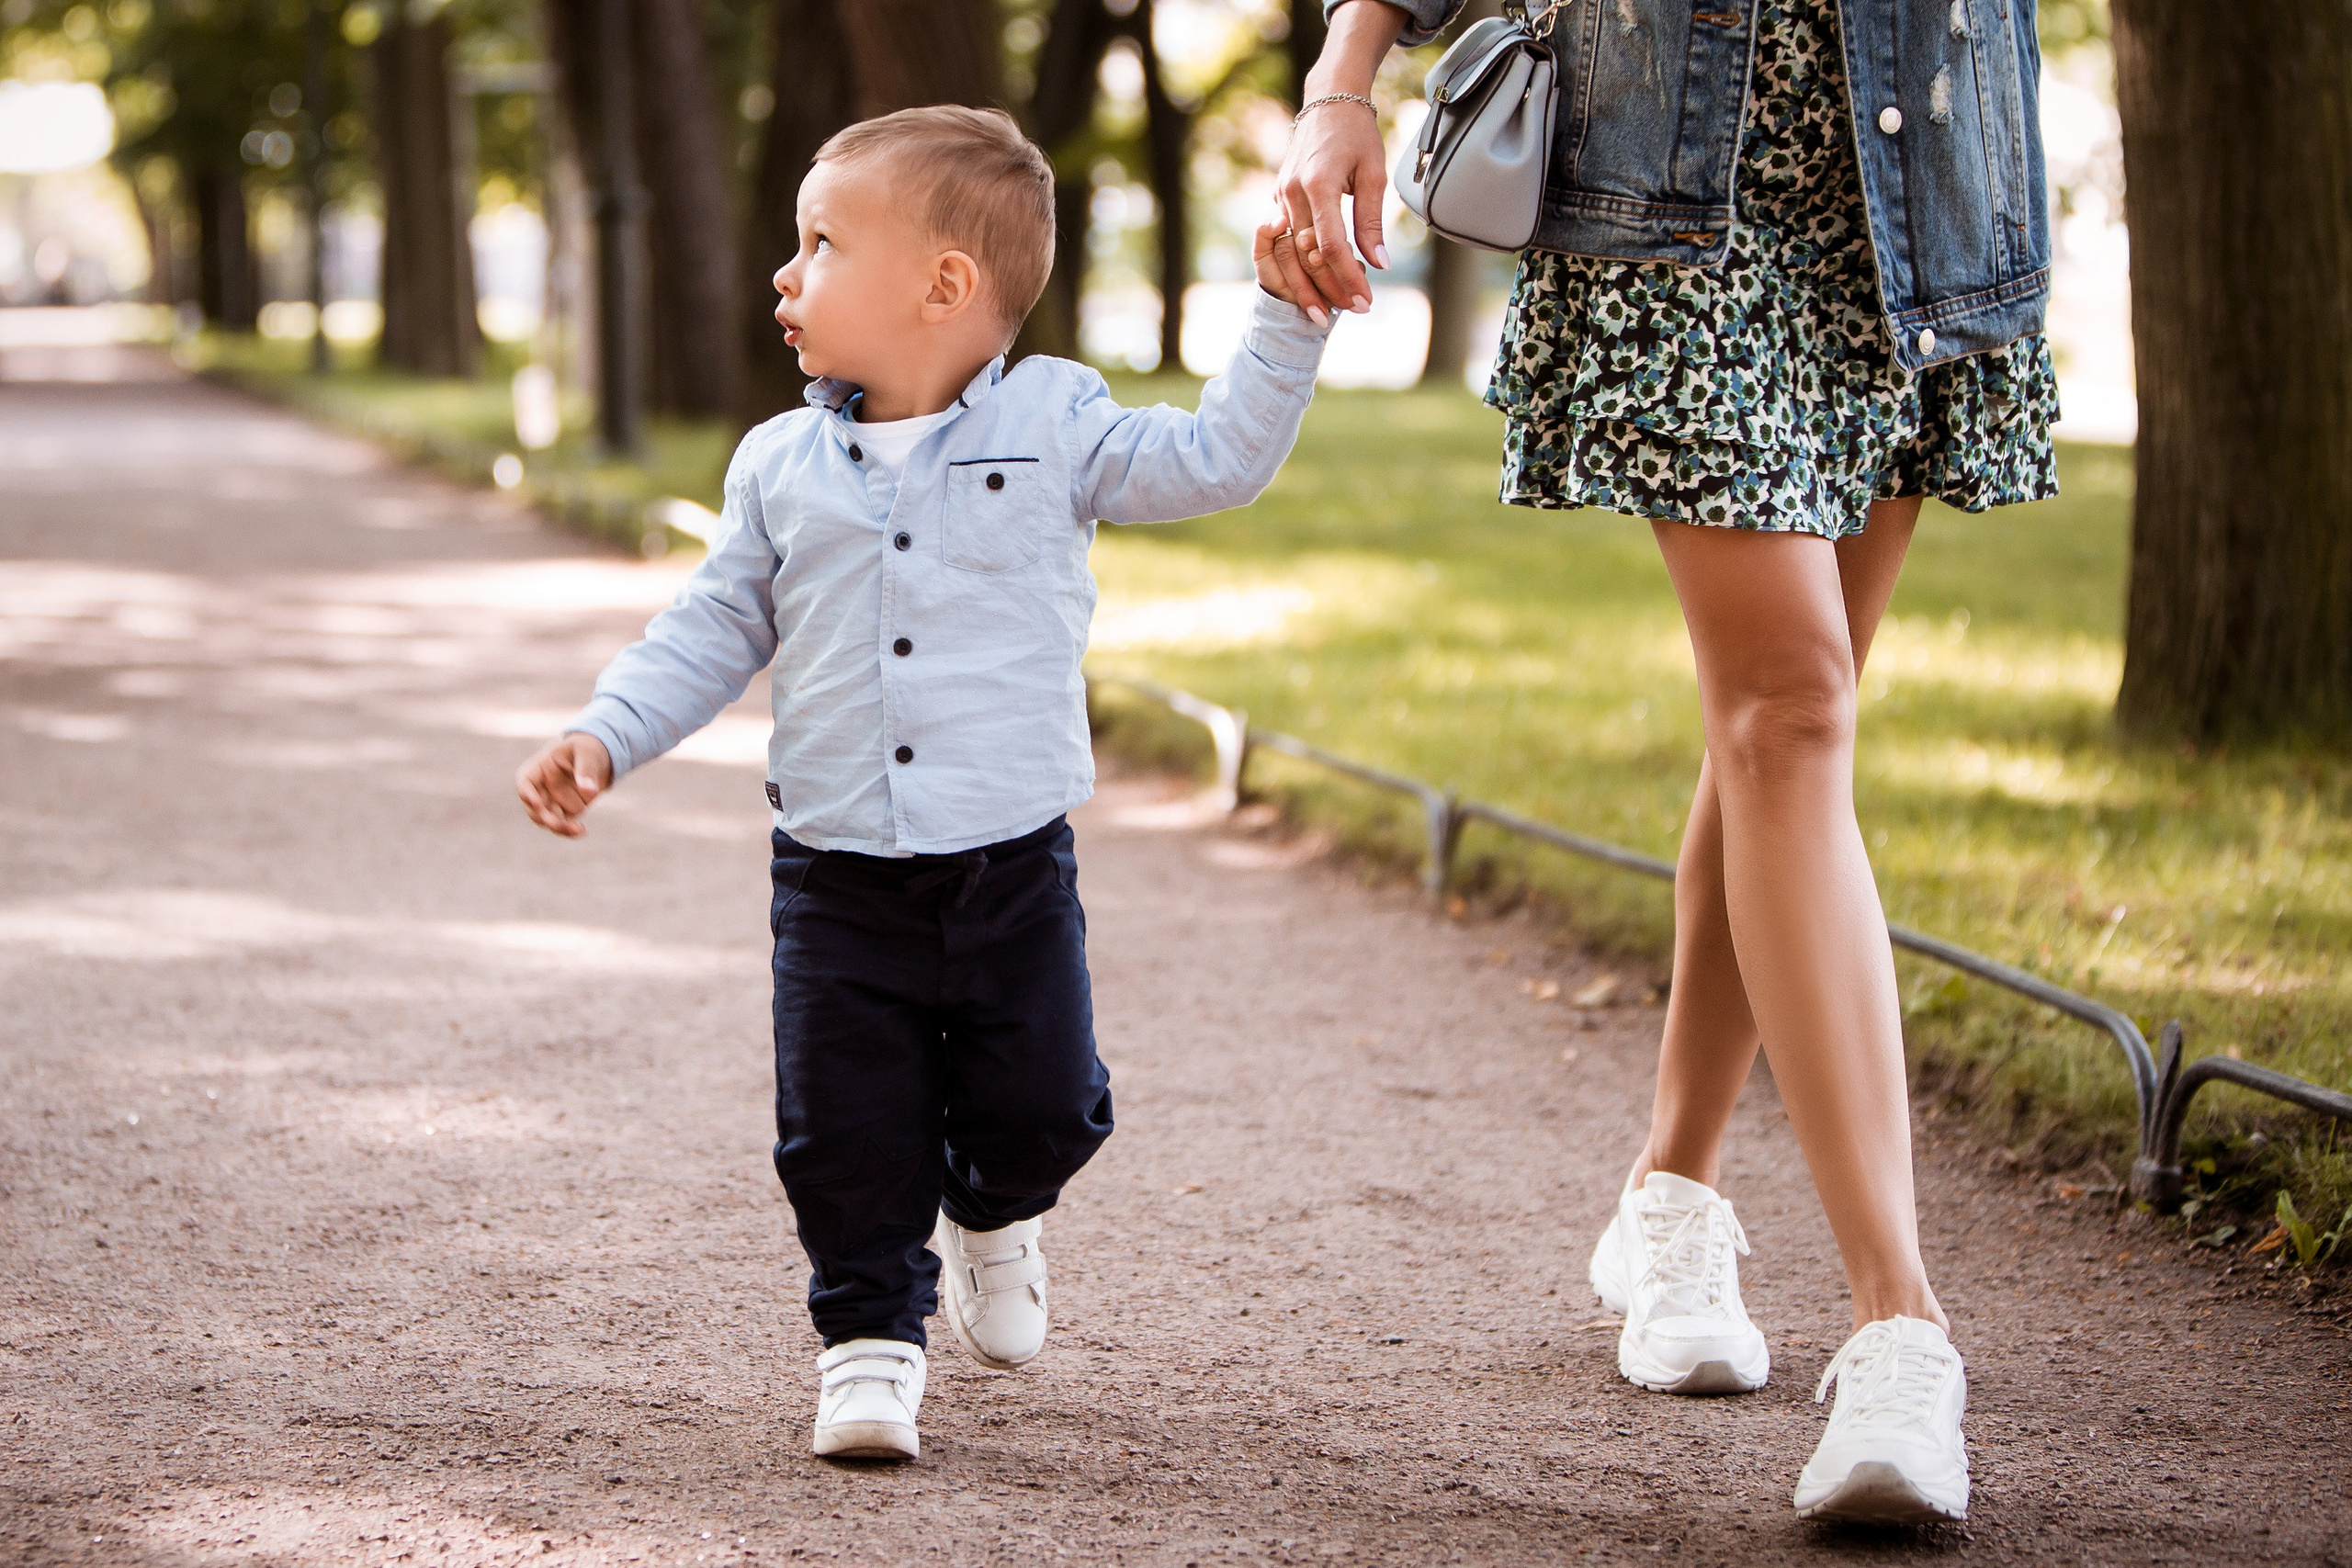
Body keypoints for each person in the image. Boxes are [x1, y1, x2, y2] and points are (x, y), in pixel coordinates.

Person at [1279, 0, 2060, 1525]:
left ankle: (1674, 1193)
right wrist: (1340, 81)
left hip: (1925, 192)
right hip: (1675, 195)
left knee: (1782, 738)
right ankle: (1900, 1329)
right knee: (1792, 709)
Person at [515, 106, 1337, 1461]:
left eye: (821, 244)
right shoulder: (778, 465)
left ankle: (991, 1208)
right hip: (836, 876)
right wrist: (607, 733)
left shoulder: (1058, 421)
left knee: (1048, 1111)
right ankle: (868, 1343)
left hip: (1009, 867)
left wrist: (1285, 322)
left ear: (943, 287)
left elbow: (1217, 458)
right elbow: (714, 627)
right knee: (841, 1128)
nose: (786, 275)